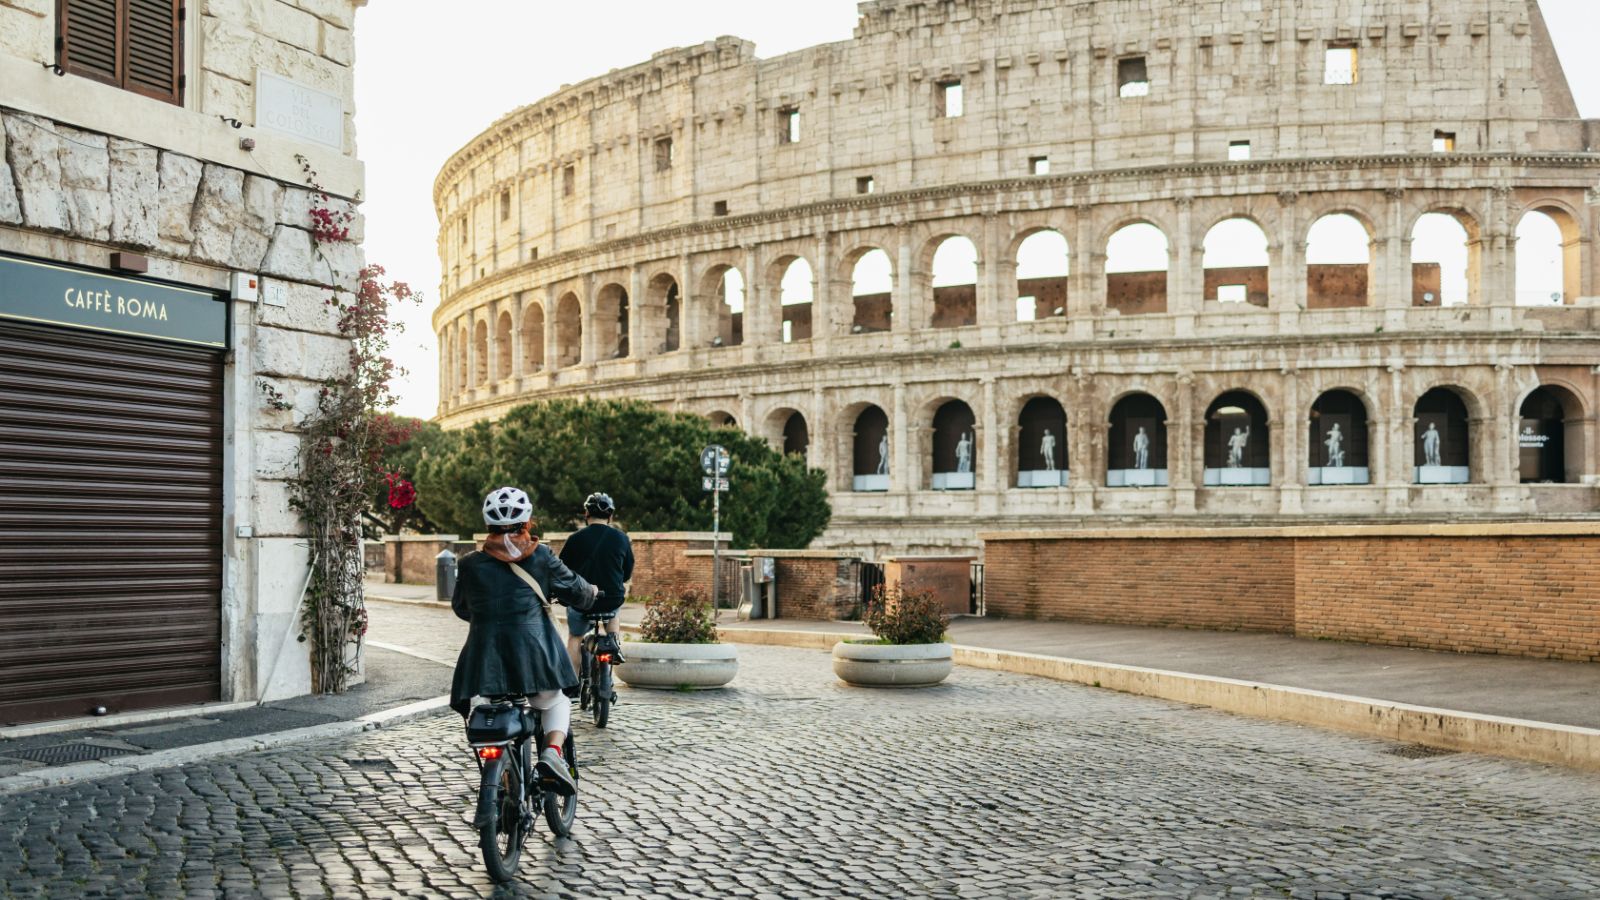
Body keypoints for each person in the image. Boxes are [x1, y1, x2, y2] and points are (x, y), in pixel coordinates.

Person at [451, 486, 596, 796]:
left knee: (486, 718)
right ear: (527, 522)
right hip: (535, 661)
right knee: (554, 700)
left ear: (488, 525)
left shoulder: (469, 564)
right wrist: (592, 594)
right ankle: (552, 755)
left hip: (483, 666)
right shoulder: (541, 556)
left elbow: (462, 608)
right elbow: (577, 590)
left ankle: (502, 779)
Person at [559, 492, 634, 688]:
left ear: (586, 514)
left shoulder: (575, 539)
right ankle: (613, 642)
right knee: (613, 613)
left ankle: (571, 685)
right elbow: (626, 572)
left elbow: (562, 571)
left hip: (581, 600)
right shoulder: (621, 539)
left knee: (575, 638)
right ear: (610, 516)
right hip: (611, 598)